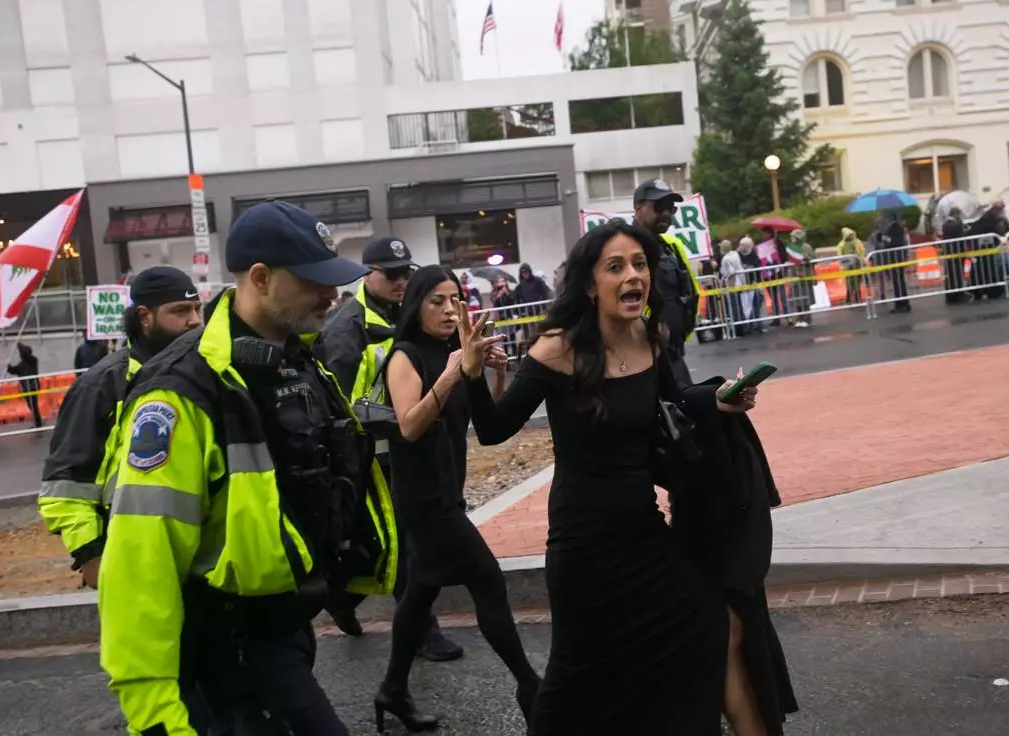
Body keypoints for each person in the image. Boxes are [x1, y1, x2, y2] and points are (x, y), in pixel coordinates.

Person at [462, 220, 789, 736]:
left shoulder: (650, 337)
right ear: (590, 284)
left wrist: (719, 400)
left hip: (644, 532)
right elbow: (494, 429)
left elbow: (672, 404)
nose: (632, 275)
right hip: (583, 550)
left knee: (717, 627)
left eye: (639, 264)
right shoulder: (556, 347)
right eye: (615, 266)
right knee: (576, 679)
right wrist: (470, 373)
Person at [98, 202, 399, 735]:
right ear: (260, 279)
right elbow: (142, 560)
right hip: (228, 645)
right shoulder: (182, 391)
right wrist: (155, 714)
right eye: (314, 281)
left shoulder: (296, 357)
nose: (332, 295)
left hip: (285, 626)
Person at [373, 265, 539, 732]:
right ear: (415, 306)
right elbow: (409, 425)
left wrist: (496, 376)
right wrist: (451, 375)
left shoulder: (455, 354)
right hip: (423, 499)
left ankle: (391, 689)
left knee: (420, 593)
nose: (449, 310)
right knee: (487, 578)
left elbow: (483, 431)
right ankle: (531, 686)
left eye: (455, 300)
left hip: (450, 490)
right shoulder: (405, 356)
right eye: (437, 301)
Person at [317, 235, 464, 657]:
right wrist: (393, 422)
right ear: (368, 273)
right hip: (376, 452)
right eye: (391, 274)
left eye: (406, 273)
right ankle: (423, 630)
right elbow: (338, 401)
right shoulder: (348, 327)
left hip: (416, 444)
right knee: (407, 542)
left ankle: (343, 599)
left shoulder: (411, 311)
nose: (401, 281)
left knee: (393, 541)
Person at [38, 267, 202, 590]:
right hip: (134, 569)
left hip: (205, 566)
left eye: (198, 309)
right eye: (181, 311)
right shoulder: (100, 385)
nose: (195, 320)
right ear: (144, 317)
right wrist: (93, 560)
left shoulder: (208, 372)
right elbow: (65, 487)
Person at [632, 179, 700, 386]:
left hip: (673, 353)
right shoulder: (623, 248)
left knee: (688, 412)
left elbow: (690, 293)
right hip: (642, 357)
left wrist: (679, 334)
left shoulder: (671, 246)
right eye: (659, 207)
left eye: (671, 209)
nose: (665, 214)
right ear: (638, 208)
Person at [783, 229, 816, 328]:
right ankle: (799, 318)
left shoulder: (806, 247)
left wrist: (804, 258)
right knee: (796, 298)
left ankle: (807, 318)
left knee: (806, 299)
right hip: (794, 277)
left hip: (805, 277)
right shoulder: (791, 248)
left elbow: (813, 259)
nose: (792, 238)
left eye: (794, 237)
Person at [880, 210, 911, 313]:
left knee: (898, 281)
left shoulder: (895, 227)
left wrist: (885, 238)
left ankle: (901, 304)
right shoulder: (894, 227)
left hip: (896, 257)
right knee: (898, 281)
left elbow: (895, 242)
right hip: (896, 257)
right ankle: (901, 303)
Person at [7, 343, 42, 428]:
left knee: (33, 405)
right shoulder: (21, 364)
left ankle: (38, 423)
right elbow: (13, 371)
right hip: (27, 388)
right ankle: (37, 421)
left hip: (32, 387)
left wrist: (18, 345)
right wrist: (9, 367)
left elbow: (24, 353)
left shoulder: (32, 360)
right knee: (31, 405)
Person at [939, 208, 968, 304]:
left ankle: (956, 292)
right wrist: (961, 223)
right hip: (953, 252)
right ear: (956, 214)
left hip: (954, 252)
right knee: (954, 274)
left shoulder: (950, 223)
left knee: (956, 274)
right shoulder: (949, 224)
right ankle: (955, 294)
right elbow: (957, 232)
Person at [836, 227, 867, 304]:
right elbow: (840, 256)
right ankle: (849, 299)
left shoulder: (857, 242)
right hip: (848, 267)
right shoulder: (841, 245)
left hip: (857, 265)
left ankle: (858, 298)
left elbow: (862, 251)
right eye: (849, 235)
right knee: (850, 283)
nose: (851, 236)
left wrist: (863, 261)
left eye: (851, 235)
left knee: (858, 282)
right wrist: (843, 266)